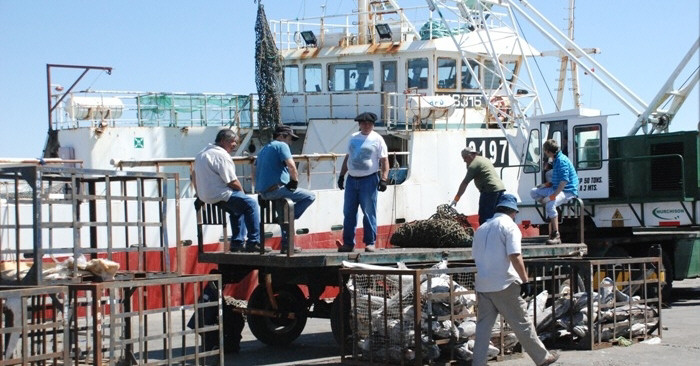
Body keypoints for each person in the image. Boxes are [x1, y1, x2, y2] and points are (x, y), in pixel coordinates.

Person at [471, 193, 560, 366]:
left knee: (483, 327)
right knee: (522, 323)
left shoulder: (481, 229)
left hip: (483, 285)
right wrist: (525, 280)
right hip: (505, 284)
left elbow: (476, 255)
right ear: (513, 212)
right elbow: (515, 255)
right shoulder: (510, 227)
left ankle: (478, 363)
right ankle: (542, 358)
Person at [194, 129, 263, 252]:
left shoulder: (201, 153)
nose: (235, 144)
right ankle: (254, 242)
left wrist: (199, 194)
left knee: (238, 209)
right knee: (250, 203)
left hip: (205, 196)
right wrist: (242, 192)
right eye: (232, 141)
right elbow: (231, 181)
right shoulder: (221, 155)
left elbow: (192, 175)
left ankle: (237, 243)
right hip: (220, 194)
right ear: (222, 141)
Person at [255, 125, 316, 254]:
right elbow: (291, 165)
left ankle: (286, 245)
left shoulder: (263, 149)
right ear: (282, 136)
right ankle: (289, 217)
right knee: (309, 196)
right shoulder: (281, 146)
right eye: (290, 138)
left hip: (265, 192)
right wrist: (294, 182)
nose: (290, 142)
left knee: (284, 211)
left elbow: (255, 170)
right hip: (277, 189)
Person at [336, 112, 389, 253]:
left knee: (369, 212)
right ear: (359, 124)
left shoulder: (378, 139)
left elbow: (384, 160)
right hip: (352, 180)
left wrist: (384, 179)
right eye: (363, 123)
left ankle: (370, 242)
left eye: (369, 124)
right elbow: (348, 157)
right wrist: (342, 176)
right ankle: (348, 243)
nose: (366, 126)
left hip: (369, 179)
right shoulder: (353, 138)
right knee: (349, 212)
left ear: (373, 125)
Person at [529, 139, 579, 245]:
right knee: (533, 192)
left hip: (567, 191)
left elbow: (564, 181)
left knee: (550, 205)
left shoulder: (561, 161)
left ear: (548, 151)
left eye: (544, 151)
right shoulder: (556, 160)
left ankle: (556, 235)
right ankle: (551, 212)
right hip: (556, 188)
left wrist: (552, 197)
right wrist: (545, 185)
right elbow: (557, 180)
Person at [450, 146, 506, 225]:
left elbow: (465, 183)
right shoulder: (484, 159)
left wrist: (456, 198)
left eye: (465, 158)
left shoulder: (474, 165)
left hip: (489, 191)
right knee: (497, 215)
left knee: (485, 216)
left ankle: (485, 235)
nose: (464, 160)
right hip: (500, 189)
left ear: (470, 155)